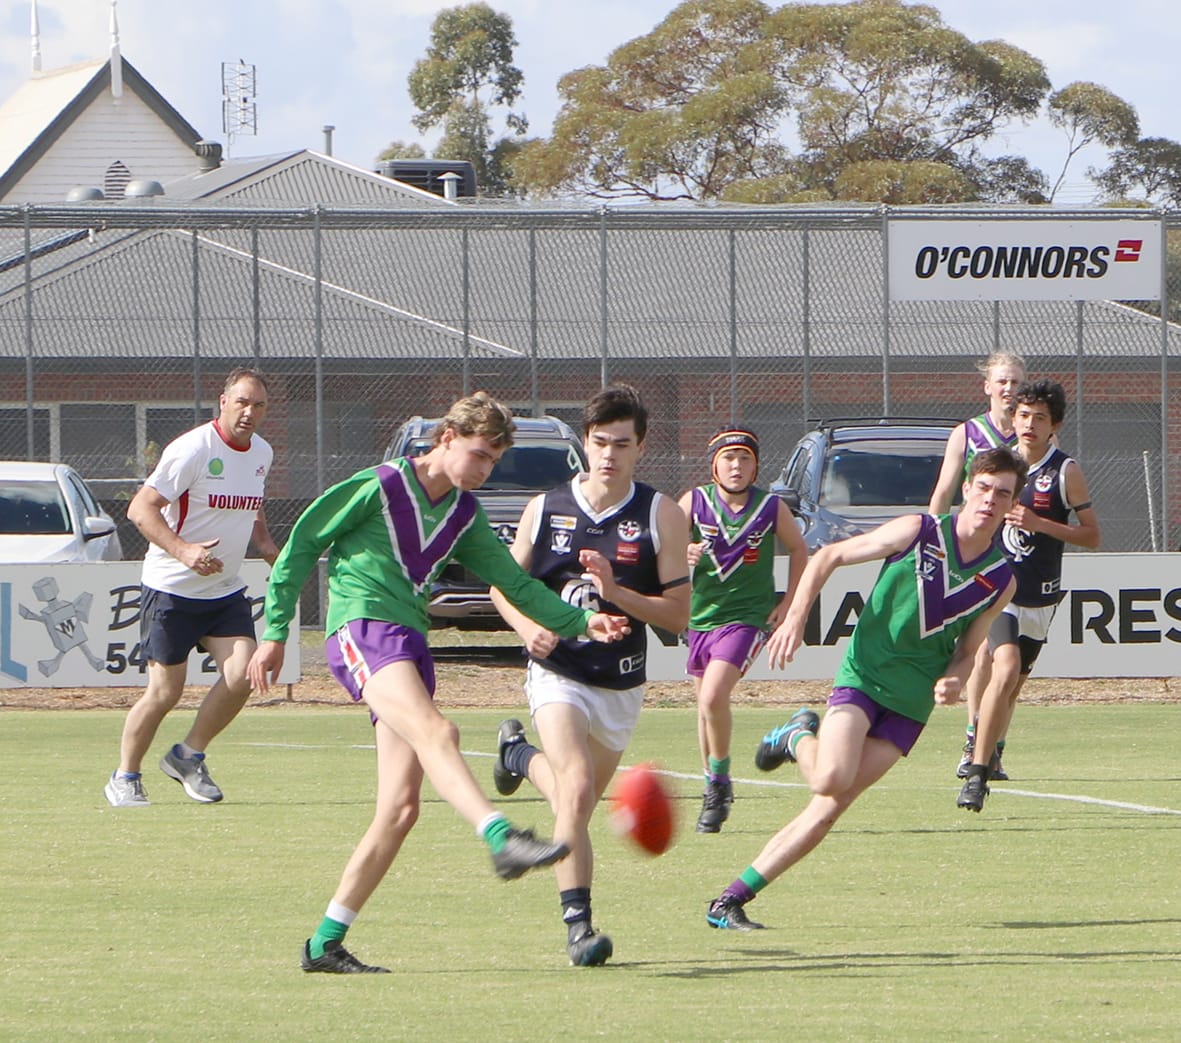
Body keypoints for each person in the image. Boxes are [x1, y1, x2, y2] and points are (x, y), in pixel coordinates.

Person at [246, 392, 629, 975]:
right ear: (447, 438)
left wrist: (583, 621)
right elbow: (302, 545)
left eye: (492, 462)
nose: (483, 469)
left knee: (401, 810)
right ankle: (500, 836)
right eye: (478, 455)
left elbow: (517, 588)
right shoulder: (378, 485)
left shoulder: (464, 515)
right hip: (363, 629)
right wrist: (276, 631)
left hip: (410, 643)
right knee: (439, 731)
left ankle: (324, 943)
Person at [705, 447, 1026, 931]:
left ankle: (729, 900)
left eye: (1002, 494)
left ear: (1012, 504)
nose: (990, 500)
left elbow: (968, 648)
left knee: (833, 806)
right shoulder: (919, 531)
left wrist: (957, 678)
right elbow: (829, 555)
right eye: (983, 488)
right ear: (966, 489)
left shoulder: (1000, 580)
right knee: (829, 779)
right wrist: (794, 617)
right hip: (863, 679)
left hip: (910, 707)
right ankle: (797, 736)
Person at [488, 384, 691, 967]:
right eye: (600, 442)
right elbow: (502, 586)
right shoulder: (546, 508)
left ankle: (517, 758)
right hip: (560, 672)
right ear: (585, 442)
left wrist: (617, 592)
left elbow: (679, 616)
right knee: (574, 790)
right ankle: (579, 928)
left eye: (621, 444)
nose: (609, 455)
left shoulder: (661, 515)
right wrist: (528, 630)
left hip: (621, 683)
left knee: (572, 801)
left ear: (640, 446)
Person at [104, 367, 278, 808]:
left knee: (242, 676)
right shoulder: (193, 449)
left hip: (223, 590)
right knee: (165, 692)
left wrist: (269, 549)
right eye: (241, 402)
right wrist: (183, 551)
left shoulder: (262, 452)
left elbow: (251, 506)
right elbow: (140, 509)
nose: (249, 412)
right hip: (171, 589)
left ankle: (187, 755)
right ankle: (125, 776)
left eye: (258, 405)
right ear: (223, 402)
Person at [957, 380, 1100, 812]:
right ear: (1012, 420)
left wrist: (1042, 524)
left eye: (1040, 417)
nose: (1029, 424)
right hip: (1000, 588)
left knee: (1013, 684)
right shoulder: (1001, 468)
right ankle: (976, 770)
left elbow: (1092, 536)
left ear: (1054, 424)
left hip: (1042, 595)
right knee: (1004, 664)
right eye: (1023, 415)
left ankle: (989, 744)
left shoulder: (1065, 471)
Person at [678, 427, 807, 834]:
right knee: (705, 708)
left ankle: (718, 784)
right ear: (714, 464)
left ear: (756, 465)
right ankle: (712, 783)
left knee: (715, 695)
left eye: (745, 458)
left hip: (747, 619)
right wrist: (683, 552)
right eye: (729, 458)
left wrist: (788, 604)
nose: (737, 466)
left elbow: (800, 549)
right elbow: (661, 548)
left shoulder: (769, 507)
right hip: (700, 619)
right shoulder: (694, 502)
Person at [926, 351, 1027, 779]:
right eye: (1002, 382)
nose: (1009, 390)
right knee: (986, 650)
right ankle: (974, 740)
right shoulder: (966, 434)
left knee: (1016, 668)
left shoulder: (1033, 437)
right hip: (976, 557)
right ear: (987, 386)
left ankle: (992, 745)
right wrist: (934, 540)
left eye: (1016, 384)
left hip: (1021, 558)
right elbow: (943, 493)